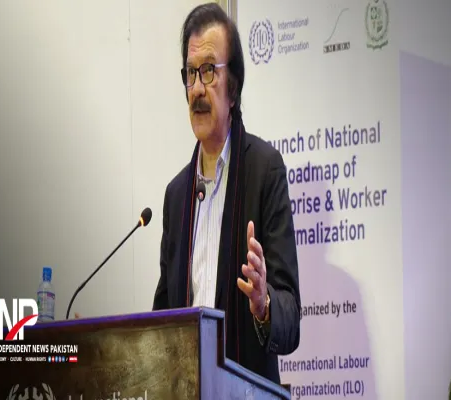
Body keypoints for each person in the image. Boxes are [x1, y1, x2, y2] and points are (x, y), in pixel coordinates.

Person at [152, 2, 301, 384]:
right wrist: (110, 346)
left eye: (209, 71)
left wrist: (264, 303)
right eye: (190, 73)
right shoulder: (176, 196)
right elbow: (162, 320)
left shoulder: (264, 171)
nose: (197, 89)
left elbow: (291, 320)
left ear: (233, 87)